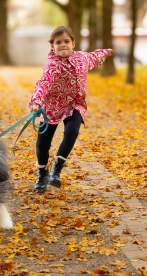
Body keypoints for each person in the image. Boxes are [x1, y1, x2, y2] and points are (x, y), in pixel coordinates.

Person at [29, 26, 113, 192]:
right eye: (58, 42)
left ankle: (56, 170)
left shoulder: (82, 58)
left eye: (66, 41)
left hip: (75, 104)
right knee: (42, 145)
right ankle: (42, 173)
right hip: (51, 107)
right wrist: (36, 101)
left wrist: (107, 51)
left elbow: (94, 57)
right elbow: (43, 83)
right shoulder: (52, 66)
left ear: (73, 43)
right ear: (52, 46)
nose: (63, 45)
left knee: (72, 131)